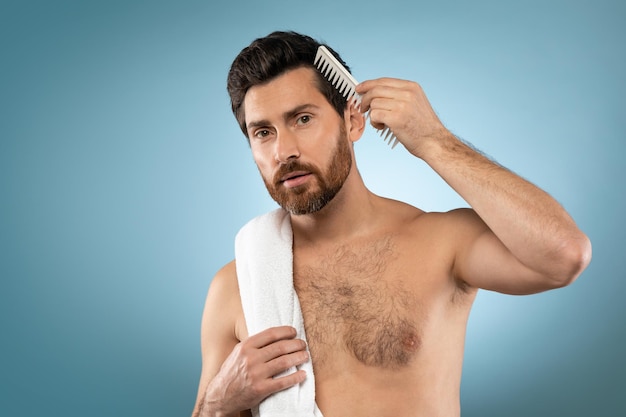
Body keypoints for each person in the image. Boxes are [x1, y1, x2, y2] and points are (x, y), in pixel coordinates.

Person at [191, 31, 592, 417]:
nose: (284, 150)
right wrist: (218, 403)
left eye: (302, 119)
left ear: (353, 121)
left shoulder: (438, 243)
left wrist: (434, 140)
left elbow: (563, 255)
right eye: (264, 132)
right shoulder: (237, 285)